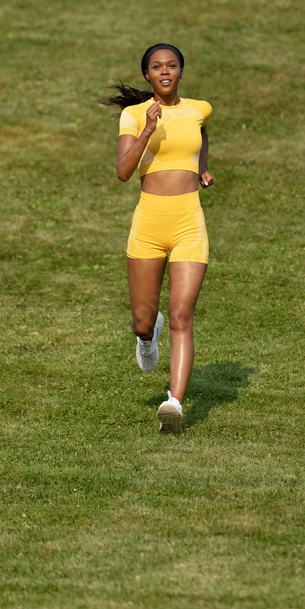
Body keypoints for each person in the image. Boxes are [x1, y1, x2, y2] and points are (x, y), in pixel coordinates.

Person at [101, 43, 214, 434]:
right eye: (156, 67)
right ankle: (149, 338)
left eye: (171, 65)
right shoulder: (134, 115)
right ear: (147, 75)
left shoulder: (200, 108)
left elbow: (200, 133)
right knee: (141, 320)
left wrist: (202, 168)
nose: (164, 71)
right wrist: (148, 128)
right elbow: (122, 171)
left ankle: (175, 403)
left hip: (188, 222)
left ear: (181, 70)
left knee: (183, 314)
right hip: (148, 225)